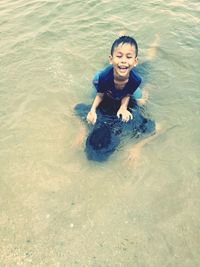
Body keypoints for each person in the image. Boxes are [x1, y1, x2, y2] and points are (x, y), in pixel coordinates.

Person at [74, 35, 160, 162]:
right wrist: (81, 131)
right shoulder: (97, 116)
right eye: (119, 57)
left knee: (142, 100)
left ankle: (155, 43)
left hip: (130, 86)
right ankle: (122, 39)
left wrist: (137, 147)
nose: (124, 60)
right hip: (113, 83)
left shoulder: (128, 122)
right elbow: (78, 107)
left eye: (128, 57)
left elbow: (158, 127)